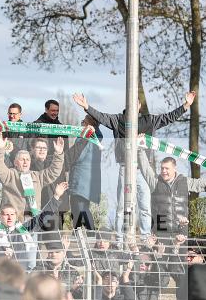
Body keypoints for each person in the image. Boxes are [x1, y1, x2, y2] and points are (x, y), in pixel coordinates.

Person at [72, 90, 196, 243]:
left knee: (144, 206)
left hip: (142, 170)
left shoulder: (148, 120)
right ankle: (119, 240)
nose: (133, 106)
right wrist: (86, 106)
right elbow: (101, 117)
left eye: (135, 103)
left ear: (139, 105)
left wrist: (185, 105)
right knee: (121, 207)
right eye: (130, 104)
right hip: (124, 168)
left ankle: (145, 240)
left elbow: (168, 117)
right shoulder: (119, 120)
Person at [137, 149, 206, 238]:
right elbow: (145, 169)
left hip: (180, 232)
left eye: (167, 168)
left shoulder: (185, 182)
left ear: (174, 169)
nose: (164, 171)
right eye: (162, 168)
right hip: (160, 233)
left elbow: (205, 184)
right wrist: (140, 150)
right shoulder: (155, 182)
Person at [0, 131, 64, 217]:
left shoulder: (37, 176)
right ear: (15, 162)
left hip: (33, 221)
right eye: (22, 159)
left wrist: (59, 154)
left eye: (28, 160)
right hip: (13, 221)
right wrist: (0, 148)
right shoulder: (9, 175)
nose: (25, 162)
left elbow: (53, 171)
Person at [66, 115, 103, 229]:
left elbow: (79, 155)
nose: (81, 124)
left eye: (83, 122)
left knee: (80, 209)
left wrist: (68, 159)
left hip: (80, 179)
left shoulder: (88, 137)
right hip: (88, 179)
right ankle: (79, 235)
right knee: (81, 209)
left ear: (89, 124)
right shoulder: (97, 137)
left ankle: (90, 234)